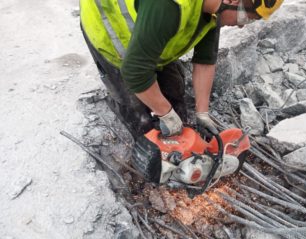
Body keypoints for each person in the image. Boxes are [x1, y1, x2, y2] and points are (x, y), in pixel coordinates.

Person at [80, 0, 284, 140]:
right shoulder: (169, 6)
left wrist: (202, 113)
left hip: (153, 30)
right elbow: (134, 71)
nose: (241, 27)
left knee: (173, 90)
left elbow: (205, 61)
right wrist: (165, 114)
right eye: (246, 19)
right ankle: (145, 149)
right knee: (138, 108)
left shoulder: (214, 9)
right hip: (111, 31)